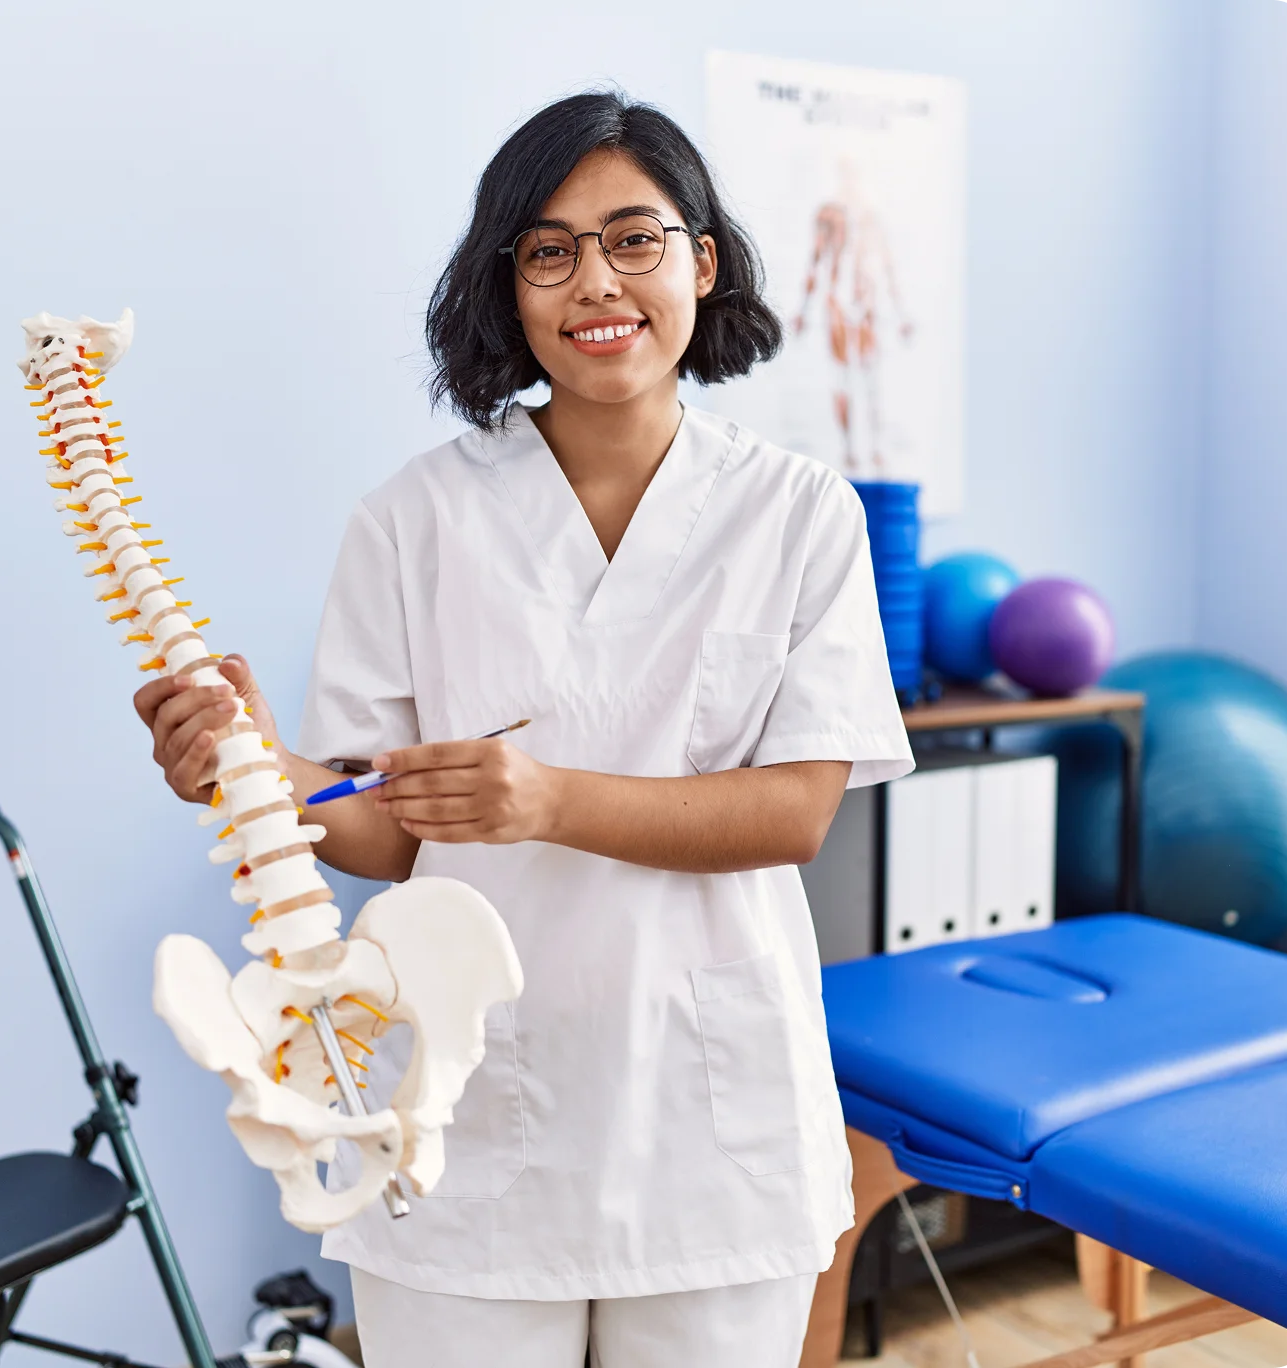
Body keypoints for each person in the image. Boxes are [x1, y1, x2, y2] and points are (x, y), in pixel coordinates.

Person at [134, 90, 913, 1368]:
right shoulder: (413, 520)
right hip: (469, 1107)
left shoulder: (799, 514)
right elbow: (377, 826)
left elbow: (795, 812)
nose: (595, 281)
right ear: (510, 291)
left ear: (703, 261)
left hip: (708, 1120)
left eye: (634, 239)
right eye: (548, 251)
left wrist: (548, 801)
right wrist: (259, 776)